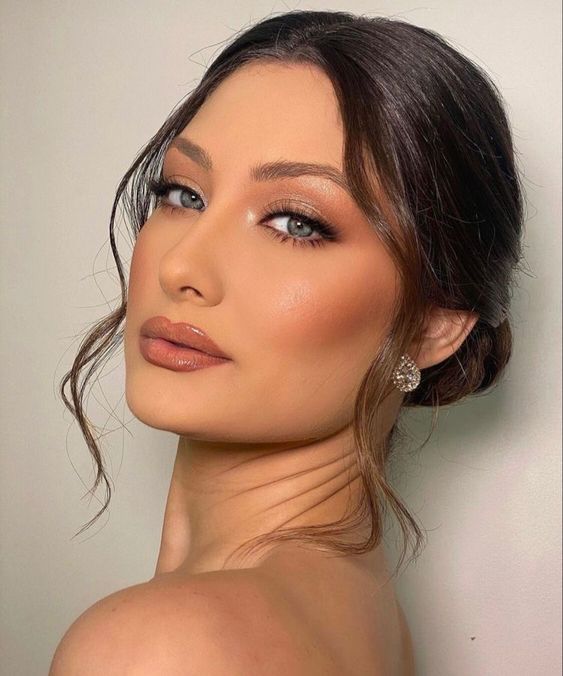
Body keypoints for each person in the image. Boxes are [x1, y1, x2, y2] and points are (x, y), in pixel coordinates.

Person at [49, 9, 524, 675]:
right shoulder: (361, 621)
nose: (181, 266)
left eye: (296, 223)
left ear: (432, 326)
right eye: (183, 194)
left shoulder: (164, 646)